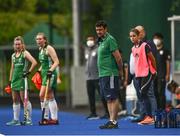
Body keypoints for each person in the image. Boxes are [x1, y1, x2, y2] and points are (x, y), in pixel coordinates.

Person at [95, 20, 123, 129]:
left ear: (105, 29)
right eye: (97, 30)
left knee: (113, 97)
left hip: (110, 73)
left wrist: (120, 70)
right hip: (103, 74)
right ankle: (111, 120)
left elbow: (118, 57)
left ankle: (114, 121)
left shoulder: (110, 40)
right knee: (108, 98)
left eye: (101, 29)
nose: (99, 31)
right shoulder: (101, 41)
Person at [6, 36, 37, 126]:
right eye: (16, 44)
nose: (17, 46)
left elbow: (34, 62)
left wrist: (28, 72)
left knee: (25, 100)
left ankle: (28, 119)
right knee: (15, 99)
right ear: (14, 45)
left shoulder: (25, 53)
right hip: (14, 80)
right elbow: (12, 68)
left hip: (22, 79)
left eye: (19, 44)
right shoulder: (13, 55)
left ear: (22, 45)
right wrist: (10, 80)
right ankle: (15, 120)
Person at [129, 28, 157, 125]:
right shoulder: (133, 48)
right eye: (131, 36)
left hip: (147, 73)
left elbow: (152, 58)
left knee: (147, 94)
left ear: (138, 36)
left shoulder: (145, 46)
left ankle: (153, 117)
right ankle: (148, 116)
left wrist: (154, 70)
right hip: (139, 75)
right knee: (142, 95)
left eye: (134, 36)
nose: (132, 38)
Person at [36, 32, 60, 125]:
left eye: (40, 39)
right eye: (37, 39)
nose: (38, 41)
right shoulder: (40, 49)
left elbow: (56, 61)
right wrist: (38, 71)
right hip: (43, 74)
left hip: (50, 74)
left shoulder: (49, 48)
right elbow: (43, 63)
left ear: (45, 40)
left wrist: (50, 70)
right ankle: (54, 119)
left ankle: (45, 118)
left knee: (42, 95)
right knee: (50, 96)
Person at [84, 35, 109, 120]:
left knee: (102, 95)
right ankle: (93, 113)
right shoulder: (86, 50)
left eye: (91, 39)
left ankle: (107, 112)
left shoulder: (98, 49)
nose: (89, 41)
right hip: (88, 77)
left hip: (97, 77)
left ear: (94, 40)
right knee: (91, 96)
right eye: (88, 40)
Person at [153, 32, 171, 110]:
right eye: (154, 38)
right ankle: (157, 111)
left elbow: (168, 63)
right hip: (154, 75)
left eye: (157, 38)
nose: (156, 40)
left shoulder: (165, 51)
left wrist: (167, 74)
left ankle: (162, 111)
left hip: (162, 75)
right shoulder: (153, 51)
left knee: (161, 93)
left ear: (161, 39)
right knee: (155, 93)